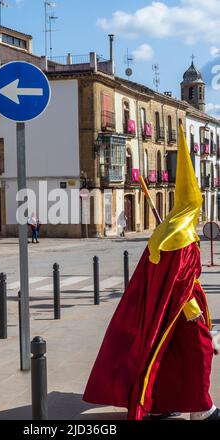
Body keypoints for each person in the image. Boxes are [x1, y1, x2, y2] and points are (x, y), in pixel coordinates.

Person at [83, 126, 220, 420]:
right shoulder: (180, 233)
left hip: (166, 305)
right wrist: (191, 308)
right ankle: (201, 409)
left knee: (168, 353)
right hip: (181, 308)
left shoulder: (169, 228)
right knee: (200, 351)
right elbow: (179, 279)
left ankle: (160, 402)